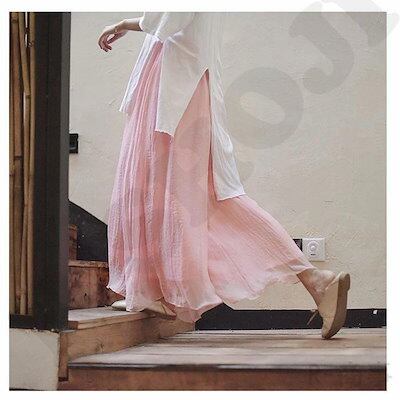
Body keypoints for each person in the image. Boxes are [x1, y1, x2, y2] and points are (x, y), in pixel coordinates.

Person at [98, 12, 350, 339]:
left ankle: (315, 279)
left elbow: (169, 17)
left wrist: (122, 24)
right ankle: (157, 292)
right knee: (185, 195)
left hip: (173, 86)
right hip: (181, 82)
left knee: (173, 193)